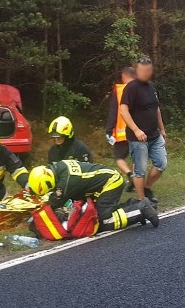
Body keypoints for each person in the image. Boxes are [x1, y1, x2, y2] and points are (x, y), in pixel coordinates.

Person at [27, 160, 158, 231]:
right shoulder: (59, 167)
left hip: (109, 182)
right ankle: (135, 204)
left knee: (103, 220)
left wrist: (37, 218)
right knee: (92, 213)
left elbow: (54, 202)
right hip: (104, 180)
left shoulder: (64, 184)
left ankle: (140, 210)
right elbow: (76, 201)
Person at [119, 57, 167, 204]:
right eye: (142, 70)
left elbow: (156, 108)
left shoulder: (152, 87)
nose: (146, 73)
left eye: (148, 70)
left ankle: (147, 188)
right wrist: (136, 130)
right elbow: (123, 110)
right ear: (137, 70)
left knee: (161, 163)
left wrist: (162, 129)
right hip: (138, 138)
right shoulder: (131, 88)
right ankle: (142, 201)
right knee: (140, 170)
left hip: (154, 135)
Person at [106, 66, 136, 187]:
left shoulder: (119, 91)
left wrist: (109, 130)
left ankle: (130, 175)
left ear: (124, 76)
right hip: (138, 130)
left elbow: (114, 112)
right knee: (137, 156)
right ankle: (137, 178)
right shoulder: (142, 88)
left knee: (119, 157)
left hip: (122, 131)